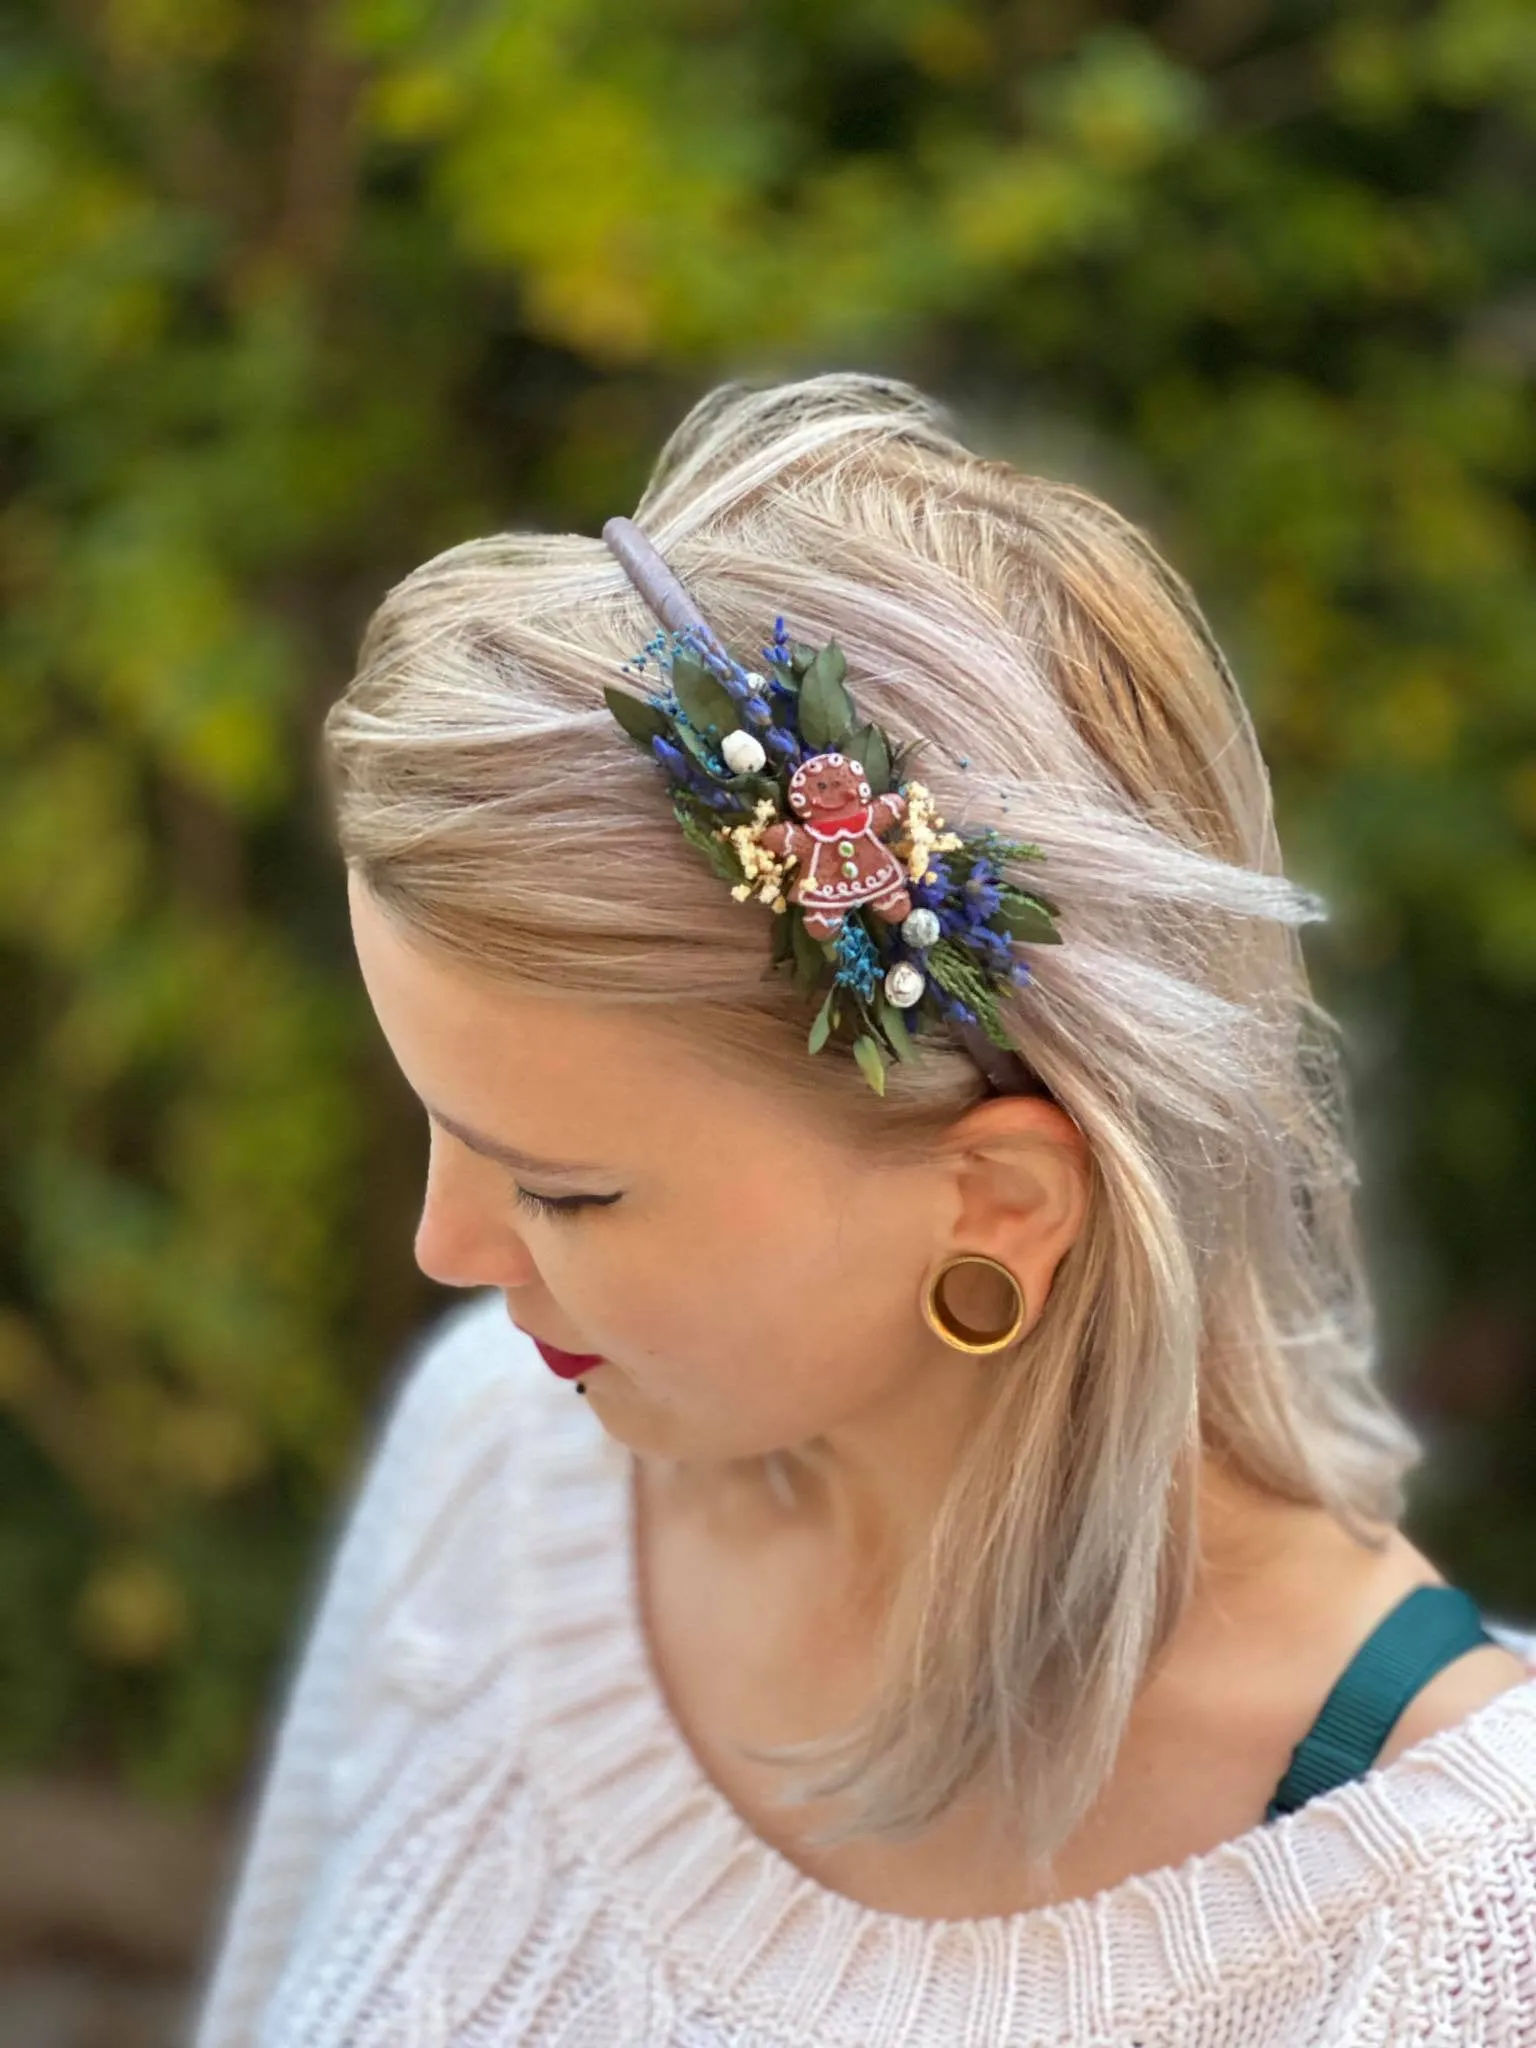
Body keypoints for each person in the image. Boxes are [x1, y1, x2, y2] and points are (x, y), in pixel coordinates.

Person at [191, 375, 1536, 2047]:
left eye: (565, 1187)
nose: (447, 1253)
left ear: (999, 1201)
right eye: (446, 1132)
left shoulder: (1464, 1932)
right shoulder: (493, 1464)